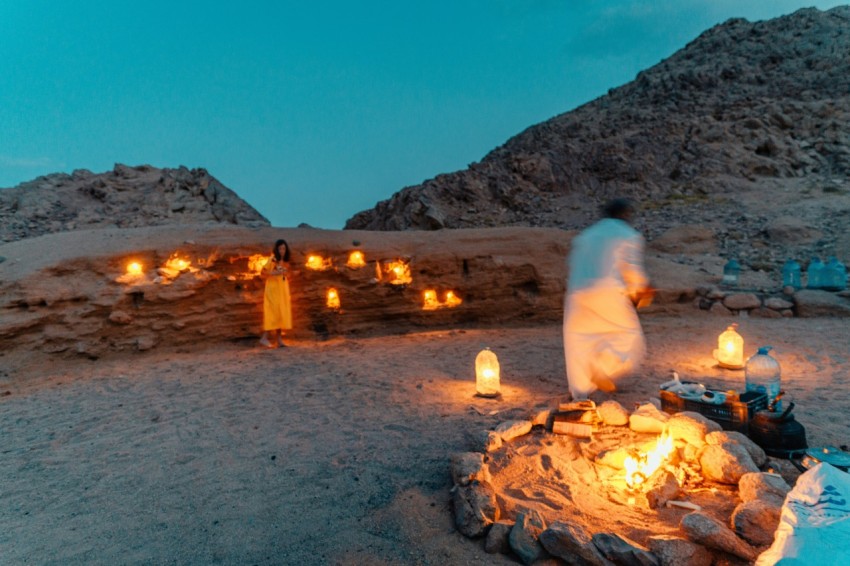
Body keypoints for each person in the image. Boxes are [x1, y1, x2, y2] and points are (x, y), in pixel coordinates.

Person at [562, 198, 654, 400]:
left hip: (576, 292)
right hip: (607, 291)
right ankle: (603, 368)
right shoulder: (628, 235)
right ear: (624, 214)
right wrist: (640, 289)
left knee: (579, 339)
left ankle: (580, 393)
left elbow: (574, 264)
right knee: (628, 336)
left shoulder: (585, 236)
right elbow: (632, 269)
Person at [259, 239, 293, 348]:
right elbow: (263, 272)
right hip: (273, 290)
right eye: (280, 248)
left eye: (284, 248)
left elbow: (284, 274)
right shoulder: (272, 259)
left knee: (281, 313)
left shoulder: (284, 261)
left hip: (282, 289)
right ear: (276, 249)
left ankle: (279, 340)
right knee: (273, 313)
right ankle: (264, 338)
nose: (282, 251)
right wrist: (274, 272)